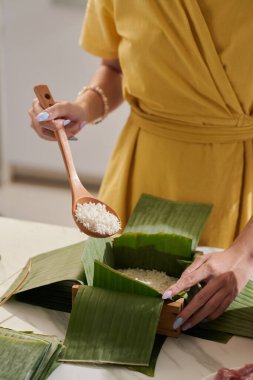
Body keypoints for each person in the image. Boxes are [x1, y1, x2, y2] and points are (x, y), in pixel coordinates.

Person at [29, 0, 253, 331]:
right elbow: (117, 66)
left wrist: (244, 256)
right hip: (142, 170)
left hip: (237, 187)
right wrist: (83, 108)